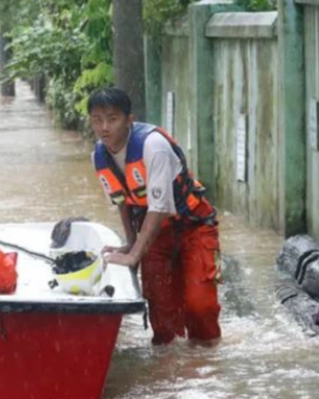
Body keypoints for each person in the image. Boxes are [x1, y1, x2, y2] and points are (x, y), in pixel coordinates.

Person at [89, 88, 221, 345]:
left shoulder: (153, 146)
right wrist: (129, 242)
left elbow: (159, 207)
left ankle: (208, 365)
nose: (104, 127)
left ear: (129, 120)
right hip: (156, 235)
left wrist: (134, 255)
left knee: (200, 307)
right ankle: (168, 374)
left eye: (112, 118)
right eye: (97, 119)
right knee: (162, 323)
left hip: (194, 226)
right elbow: (122, 201)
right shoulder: (99, 155)